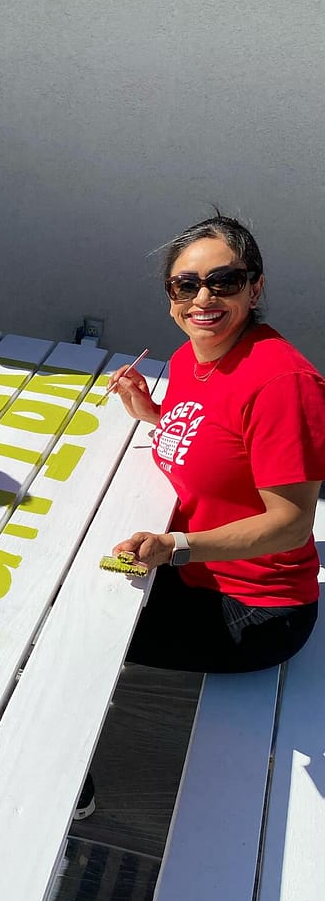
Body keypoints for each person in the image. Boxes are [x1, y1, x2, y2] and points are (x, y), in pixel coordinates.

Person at [108, 213, 325, 675]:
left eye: (223, 281)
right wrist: (154, 415)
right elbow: (219, 437)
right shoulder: (190, 356)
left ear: (255, 288)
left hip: (256, 606)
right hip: (191, 567)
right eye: (184, 285)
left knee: (77, 631)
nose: (202, 298)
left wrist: (175, 547)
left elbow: (291, 524)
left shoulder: (285, 383)